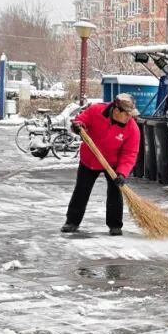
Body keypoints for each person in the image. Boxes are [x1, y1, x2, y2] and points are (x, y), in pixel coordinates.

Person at [62, 93, 141, 237]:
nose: (129, 117)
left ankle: (115, 225)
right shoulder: (96, 110)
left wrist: (122, 173)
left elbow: (130, 153)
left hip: (113, 164)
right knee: (81, 190)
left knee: (115, 192)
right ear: (116, 110)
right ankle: (72, 221)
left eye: (131, 114)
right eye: (126, 114)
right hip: (90, 159)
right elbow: (81, 120)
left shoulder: (132, 129)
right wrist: (78, 126)